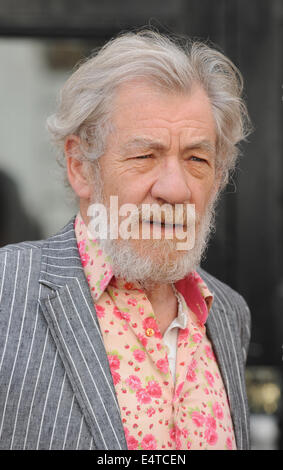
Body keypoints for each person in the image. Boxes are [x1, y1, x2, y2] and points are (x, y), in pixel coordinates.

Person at [0, 30, 251, 450]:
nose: (175, 189)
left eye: (196, 159)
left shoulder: (227, 313)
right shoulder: (7, 291)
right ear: (80, 166)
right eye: (144, 155)